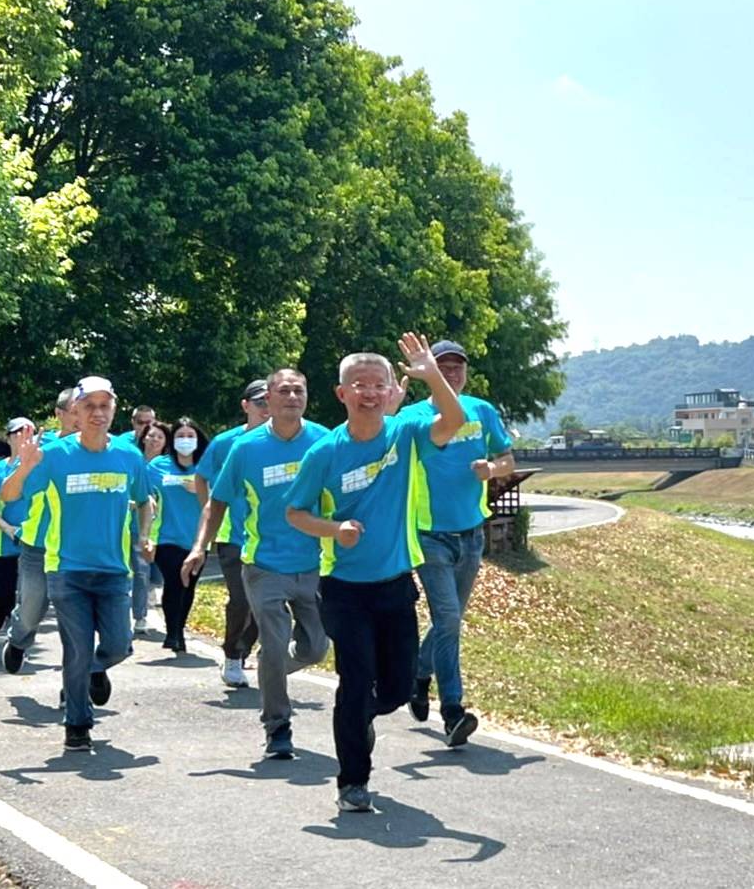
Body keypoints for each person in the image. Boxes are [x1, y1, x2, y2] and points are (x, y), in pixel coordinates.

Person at [285, 333, 464, 814]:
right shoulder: (323, 453)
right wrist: (334, 528)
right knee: (355, 677)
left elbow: (454, 420)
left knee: (397, 687)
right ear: (342, 394)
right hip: (344, 589)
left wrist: (430, 375)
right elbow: (296, 514)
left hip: (395, 584)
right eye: (358, 384)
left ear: (390, 391)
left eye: (377, 384)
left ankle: (361, 716)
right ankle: (352, 781)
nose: (368, 392)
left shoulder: (405, 434)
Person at [184, 369, 329, 760]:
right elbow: (218, 502)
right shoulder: (245, 448)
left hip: (314, 562)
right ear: (269, 397)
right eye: (284, 391)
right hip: (263, 563)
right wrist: (200, 547)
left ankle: (270, 667)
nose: (292, 397)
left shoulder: (324, 440)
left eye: (299, 390)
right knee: (276, 638)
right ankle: (277, 727)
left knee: (316, 648)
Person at [1, 376, 152, 751]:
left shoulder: (129, 456)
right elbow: (8, 495)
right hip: (67, 570)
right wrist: (23, 467)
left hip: (116, 570)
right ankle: (77, 724)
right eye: (89, 407)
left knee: (119, 645)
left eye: (105, 406)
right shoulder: (55, 456)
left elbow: (144, 499)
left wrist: (144, 535)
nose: (97, 413)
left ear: (114, 410)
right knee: (77, 647)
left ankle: (97, 670)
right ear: (75, 413)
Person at [401, 340, 514, 741]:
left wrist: (492, 468)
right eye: (442, 366)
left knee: (450, 620)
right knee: (448, 618)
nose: (451, 373)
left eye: (457, 367)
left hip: (472, 533)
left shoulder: (482, 411)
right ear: (430, 370)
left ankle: (418, 672)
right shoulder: (412, 418)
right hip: (430, 535)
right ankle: (452, 710)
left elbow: (508, 459)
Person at [193, 379, 269, 688]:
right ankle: (233, 655)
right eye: (260, 403)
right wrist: (210, 512)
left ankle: (246, 649)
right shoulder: (227, 443)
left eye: (270, 401)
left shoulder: (287, 439)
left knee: (265, 603)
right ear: (246, 406)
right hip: (233, 535)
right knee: (241, 599)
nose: (266, 409)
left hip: (271, 537)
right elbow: (201, 478)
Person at [5, 392, 78, 673]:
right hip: (38, 544)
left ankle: (78, 682)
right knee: (31, 609)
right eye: (74, 409)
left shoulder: (98, 449)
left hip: (76, 548)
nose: (80, 415)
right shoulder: (40, 447)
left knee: (77, 621)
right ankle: (18, 641)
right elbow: (13, 487)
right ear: (59, 413)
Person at [148, 418, 209, 652]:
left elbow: (215, 503)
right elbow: (146, 496)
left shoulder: (207, 468)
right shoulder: (158, 467)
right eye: (180, 436)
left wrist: (201, 489)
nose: (185, 440)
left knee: (189, 585)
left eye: (190, 436)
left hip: (198, 537)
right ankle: (172, 633)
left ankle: (180, 629)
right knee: (174, 581)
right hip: (166, 537)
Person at [0, 419, 36, 633]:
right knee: (4, 594)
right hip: (3, 541)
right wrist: (8, 529)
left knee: (31, 596)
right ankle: (1, 611)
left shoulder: (41, 467)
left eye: (28, 433)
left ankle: (18, 639)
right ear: (9, 438)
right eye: (18, 433)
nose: (23, 438)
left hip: (34, 541)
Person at [132, 421, 171, 634]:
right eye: (151, 435)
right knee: (140, 572)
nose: (154, 440)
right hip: (129, 525)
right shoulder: (132, 460)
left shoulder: (168, 465)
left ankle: (143, 598)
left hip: (159, 528)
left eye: (160, 437)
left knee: (154, 576)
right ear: (144, 438)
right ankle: (140, 617)